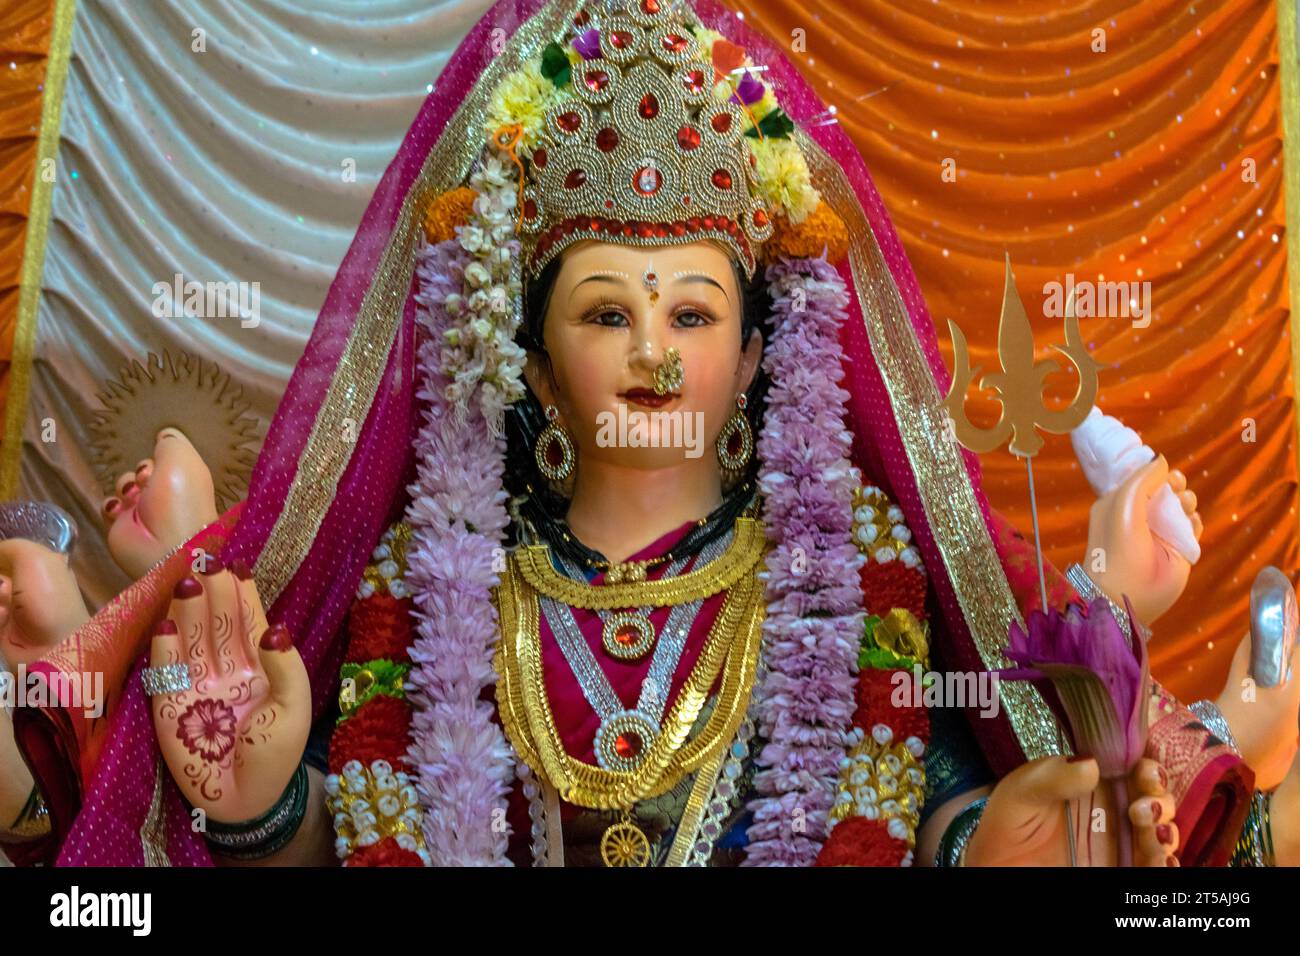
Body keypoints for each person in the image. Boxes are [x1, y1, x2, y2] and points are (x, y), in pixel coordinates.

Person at [5, 0, 1253, 867]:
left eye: (692, 312)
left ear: (755, 355)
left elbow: (912, 798)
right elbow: (373, 825)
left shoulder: (844, 567)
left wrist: (991, 841)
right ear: (538, 368)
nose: (654, 352)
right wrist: (268, 807)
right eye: (607, 311)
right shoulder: (430, 576)